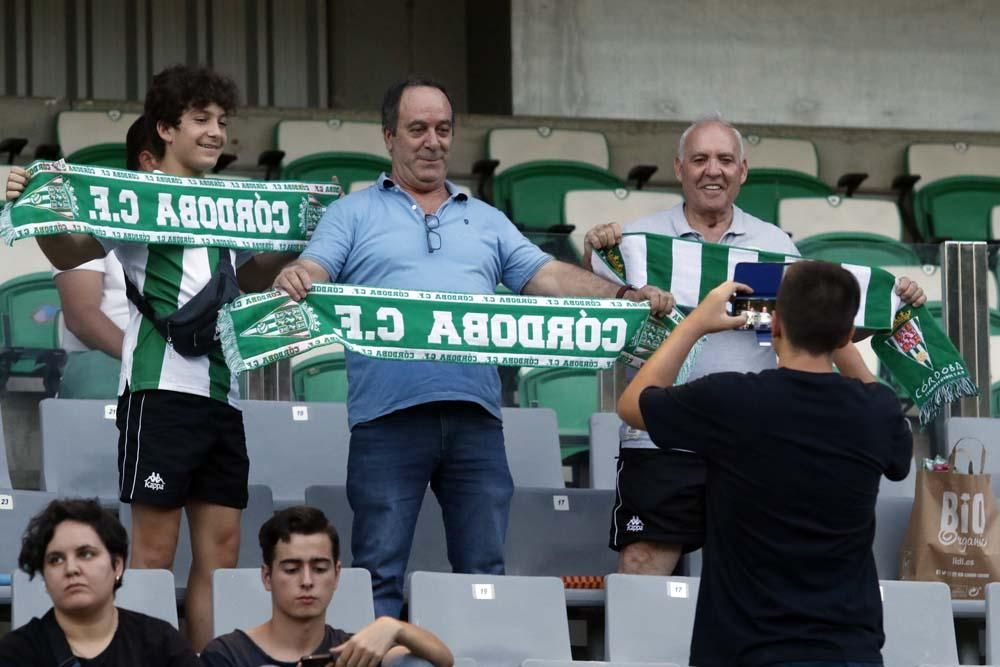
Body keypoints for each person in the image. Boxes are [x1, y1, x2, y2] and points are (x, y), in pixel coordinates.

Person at [272, 75, 673, 618]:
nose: (432, 141)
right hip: (387, 421)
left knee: (484, 574)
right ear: (389, 137)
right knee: (378, 572)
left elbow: (549, 276)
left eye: (442, 129)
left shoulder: (485, 217)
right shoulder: (353, 213)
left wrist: (624, 294)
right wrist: (298, 273)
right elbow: (315, 267)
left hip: (476, 421)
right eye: (417, 129)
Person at [6, 65, 295, 651]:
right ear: (165, 129)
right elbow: (71, 252)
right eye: (201, 120)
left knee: (221, 557)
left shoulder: (232, 203)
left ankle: (207, 664)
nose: (216, 132)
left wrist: (292, 240)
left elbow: (254, 276)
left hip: (222, 398)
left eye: (221, 121)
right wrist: (41, 207)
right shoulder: (136, 196)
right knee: (153, 555)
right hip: (157, 397)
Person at [582, 113, 925, 576]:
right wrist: (594, 255)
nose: (713, 170)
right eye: (700, 159)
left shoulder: (776, 244)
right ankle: (640, 651)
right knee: (643, 561)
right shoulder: (638, 239)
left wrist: (886, 309)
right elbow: (596, 308)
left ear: (743, 170)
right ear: (678, 167)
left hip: (754, 435)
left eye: (725, 159)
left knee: (753, 568)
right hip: (660, 433)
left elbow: (810, 330)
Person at [618, 261, 913, 666]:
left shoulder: (731, 399)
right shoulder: (877, 410)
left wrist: (692, 324)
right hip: (846, 651)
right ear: (847, 335)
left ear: (774, 326)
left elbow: (633, 404)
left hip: (742, 650)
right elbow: (896, 452)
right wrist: (834, 333)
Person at [201, 506, 454, 667]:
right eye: (292, 569)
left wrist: (394, 627)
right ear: (267, 577)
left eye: (320, 568)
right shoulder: (227, 655)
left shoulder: (354, 651)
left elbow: (443, 660)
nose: (307, 581)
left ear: (337, 574)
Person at [0, 498, 199, 666]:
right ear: (44, 576)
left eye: (86, 554)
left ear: (118, 566)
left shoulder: (161, 645)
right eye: (56, 559)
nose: (71, 569)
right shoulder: (17, 653)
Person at [52, 116, 158, 399]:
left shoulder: (199, 223)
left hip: (183, 380)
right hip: (105, 370)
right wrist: (148, 364)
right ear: (149, 161)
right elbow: (81, 316)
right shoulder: (94, 214)